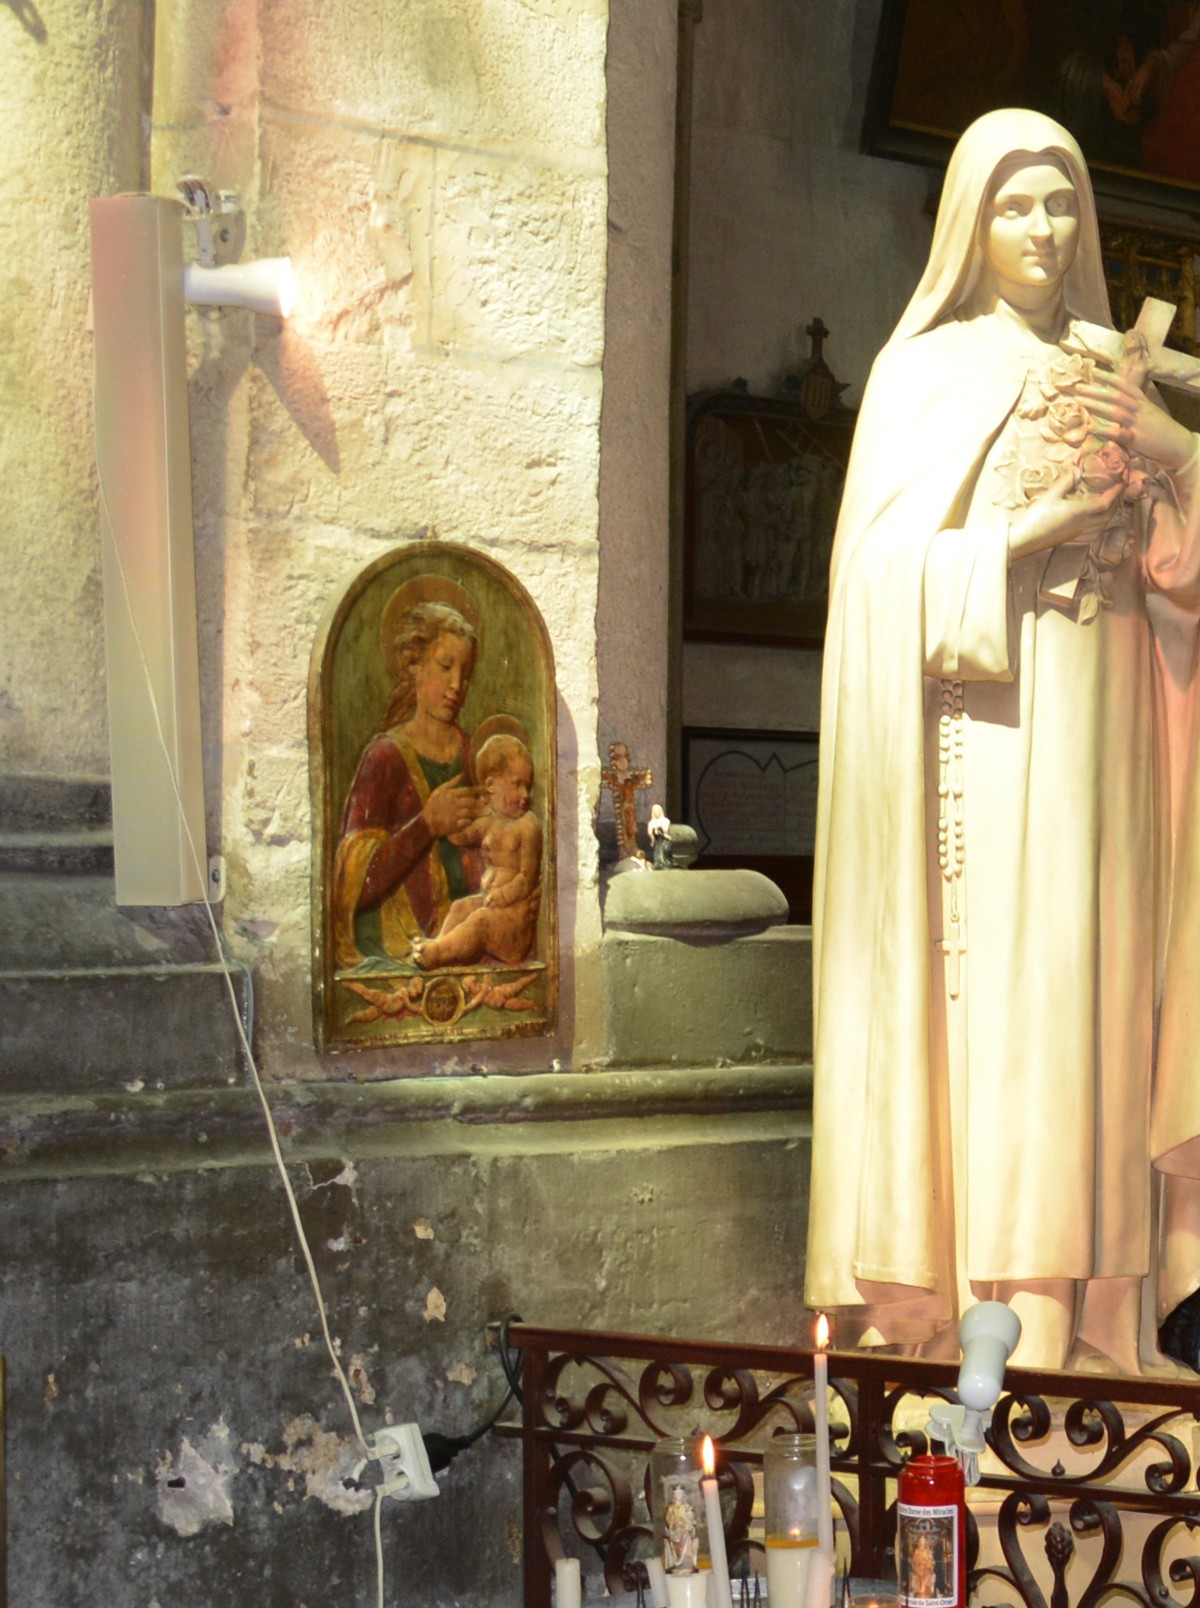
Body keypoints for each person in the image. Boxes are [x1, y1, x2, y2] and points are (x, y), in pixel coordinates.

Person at [804, 108, 1200, 1373]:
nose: (1042, 230)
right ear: (970, 226)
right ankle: (1001, 1324)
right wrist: (1025, 531)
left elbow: (1183, 577)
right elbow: (875, 588)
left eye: (1062, 205)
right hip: (993, 739)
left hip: (1117, 736)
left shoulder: (1114, 364)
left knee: (1103, 1005)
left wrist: (1170, 464)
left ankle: (1097, 1324)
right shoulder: (925, 371)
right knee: (1017, 1009)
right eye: (1015, 207)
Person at [332, 594, 482, 968]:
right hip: (398, 953)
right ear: (414, 665)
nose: (456, 684)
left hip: (467, 944)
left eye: (465, 673)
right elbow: (355, 890)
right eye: (445, 666)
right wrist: (427, 824)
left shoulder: (473, 753)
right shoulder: (384, 757)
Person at [413, 733, 542, 970]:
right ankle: (439, 945)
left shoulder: (528, 825)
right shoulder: (491, 820)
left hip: (513, 923)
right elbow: (462, 837)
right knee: (460, 907)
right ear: (491, 785)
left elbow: (527, 878)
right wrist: (449, 822)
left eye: (528, 785)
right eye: (517, 784)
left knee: (480, 920)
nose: (525, 795)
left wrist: (502, 895)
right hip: (492, 905)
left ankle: (439, 953)